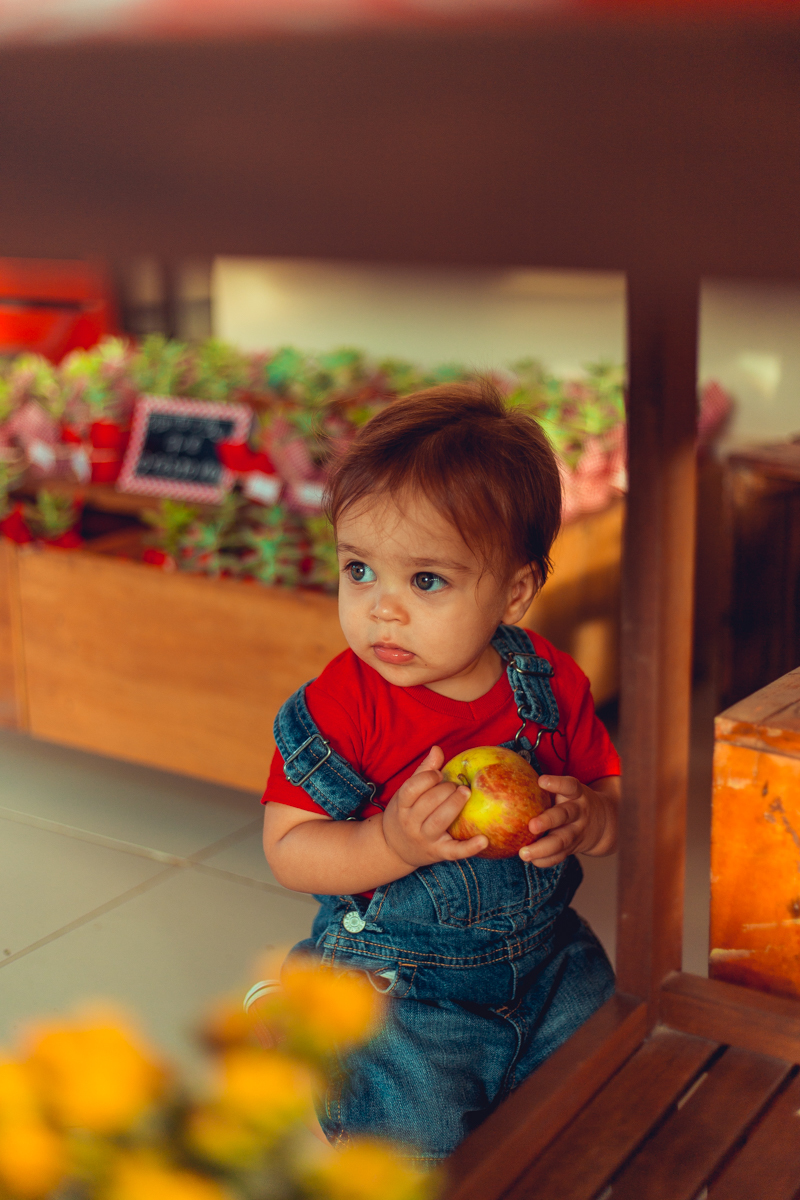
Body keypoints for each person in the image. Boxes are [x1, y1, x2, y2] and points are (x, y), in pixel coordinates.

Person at [260, 381, 620, 1164]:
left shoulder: (548, 685)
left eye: (426, 581)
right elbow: (288, 849)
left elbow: (608, 799)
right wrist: (392, 843)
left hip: (549, 960)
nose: (383, 610)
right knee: (413, 1143)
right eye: (359, 571)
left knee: (598, 1092)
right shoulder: (340, 707)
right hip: (403, 990)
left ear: (515, 592)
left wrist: (587, 819)